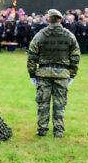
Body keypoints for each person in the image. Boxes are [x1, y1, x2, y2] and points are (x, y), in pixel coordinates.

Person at [27, 9, 80, 137]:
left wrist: (32, 74)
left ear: (48, 19)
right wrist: (72, 74)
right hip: (62, 75)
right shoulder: (69, 35)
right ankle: (59, 131)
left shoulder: (41, 35)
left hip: (43, 74)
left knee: (43, 103)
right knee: (60, 104)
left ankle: (42, 130)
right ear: (60, 19)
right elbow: (75, 56)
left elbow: (32, 56)